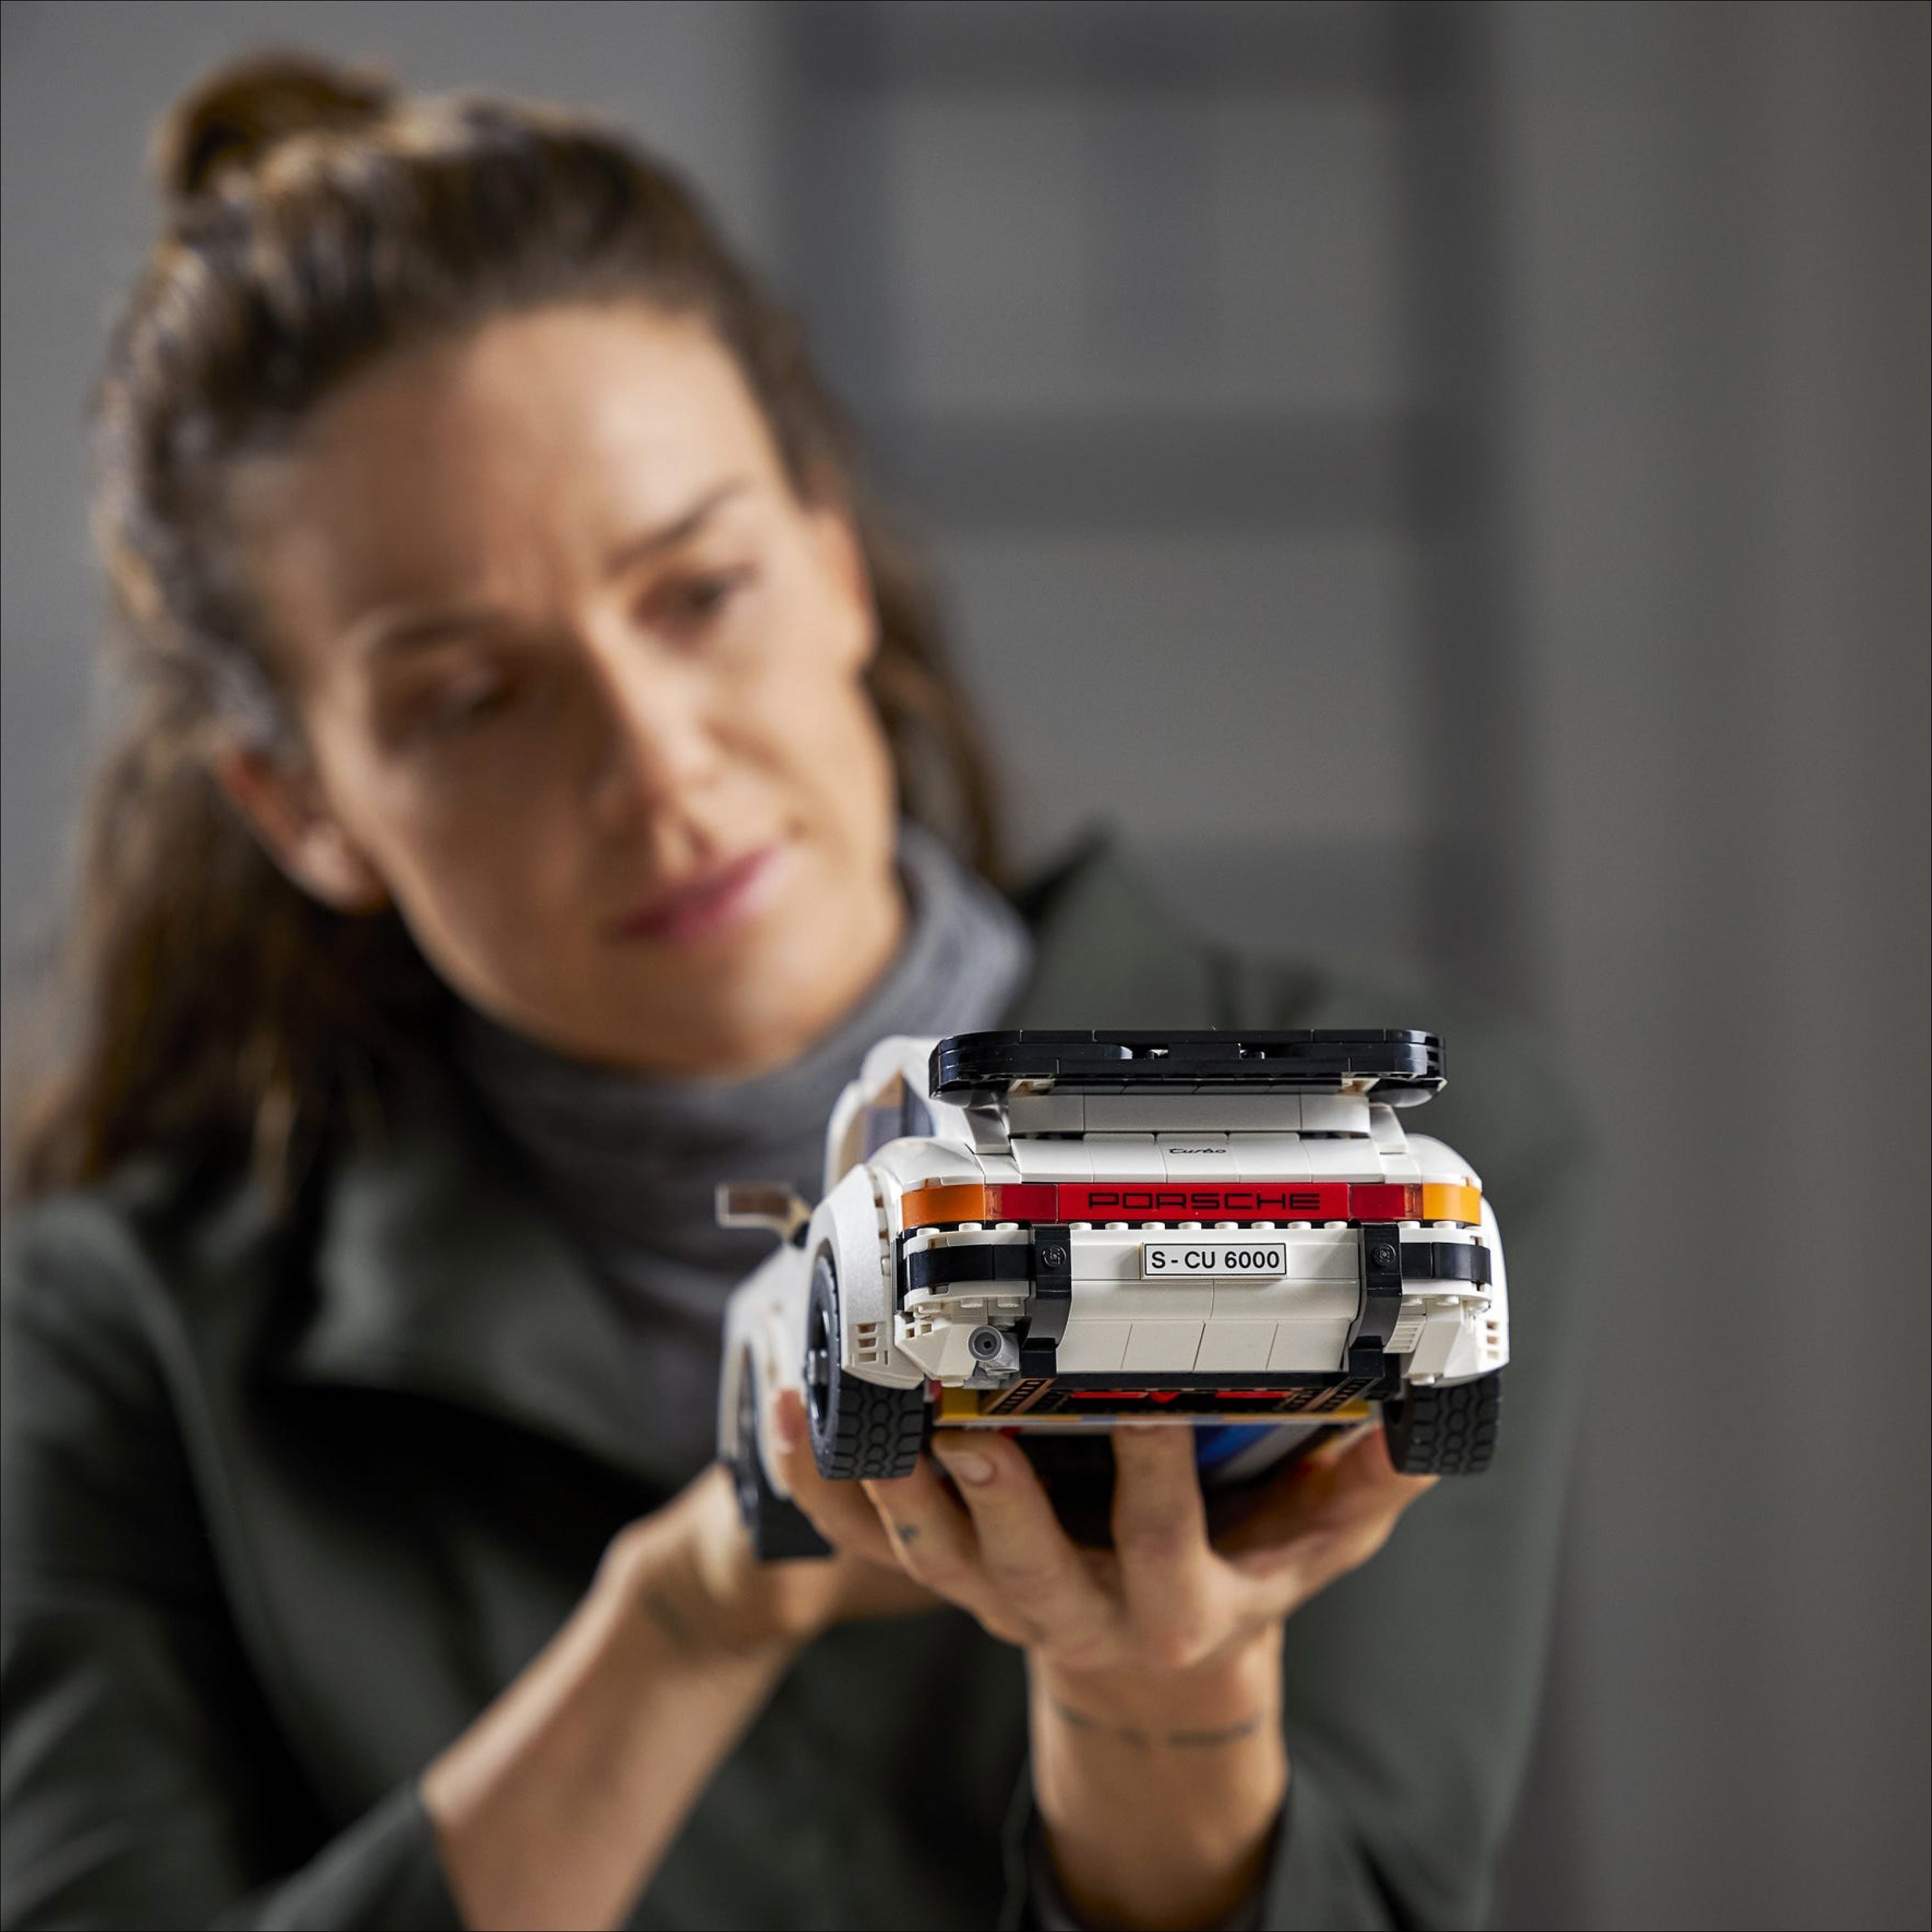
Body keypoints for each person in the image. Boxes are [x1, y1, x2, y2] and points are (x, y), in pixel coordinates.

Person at [0, 54, 1587, 1932]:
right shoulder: (117, 1336)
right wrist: (686, 1618)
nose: (656, 765)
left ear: (836, 567)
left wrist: (1162, 1696)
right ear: (304, 808)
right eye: (472, 699)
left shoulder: (1416, 1148)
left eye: (699, 593)